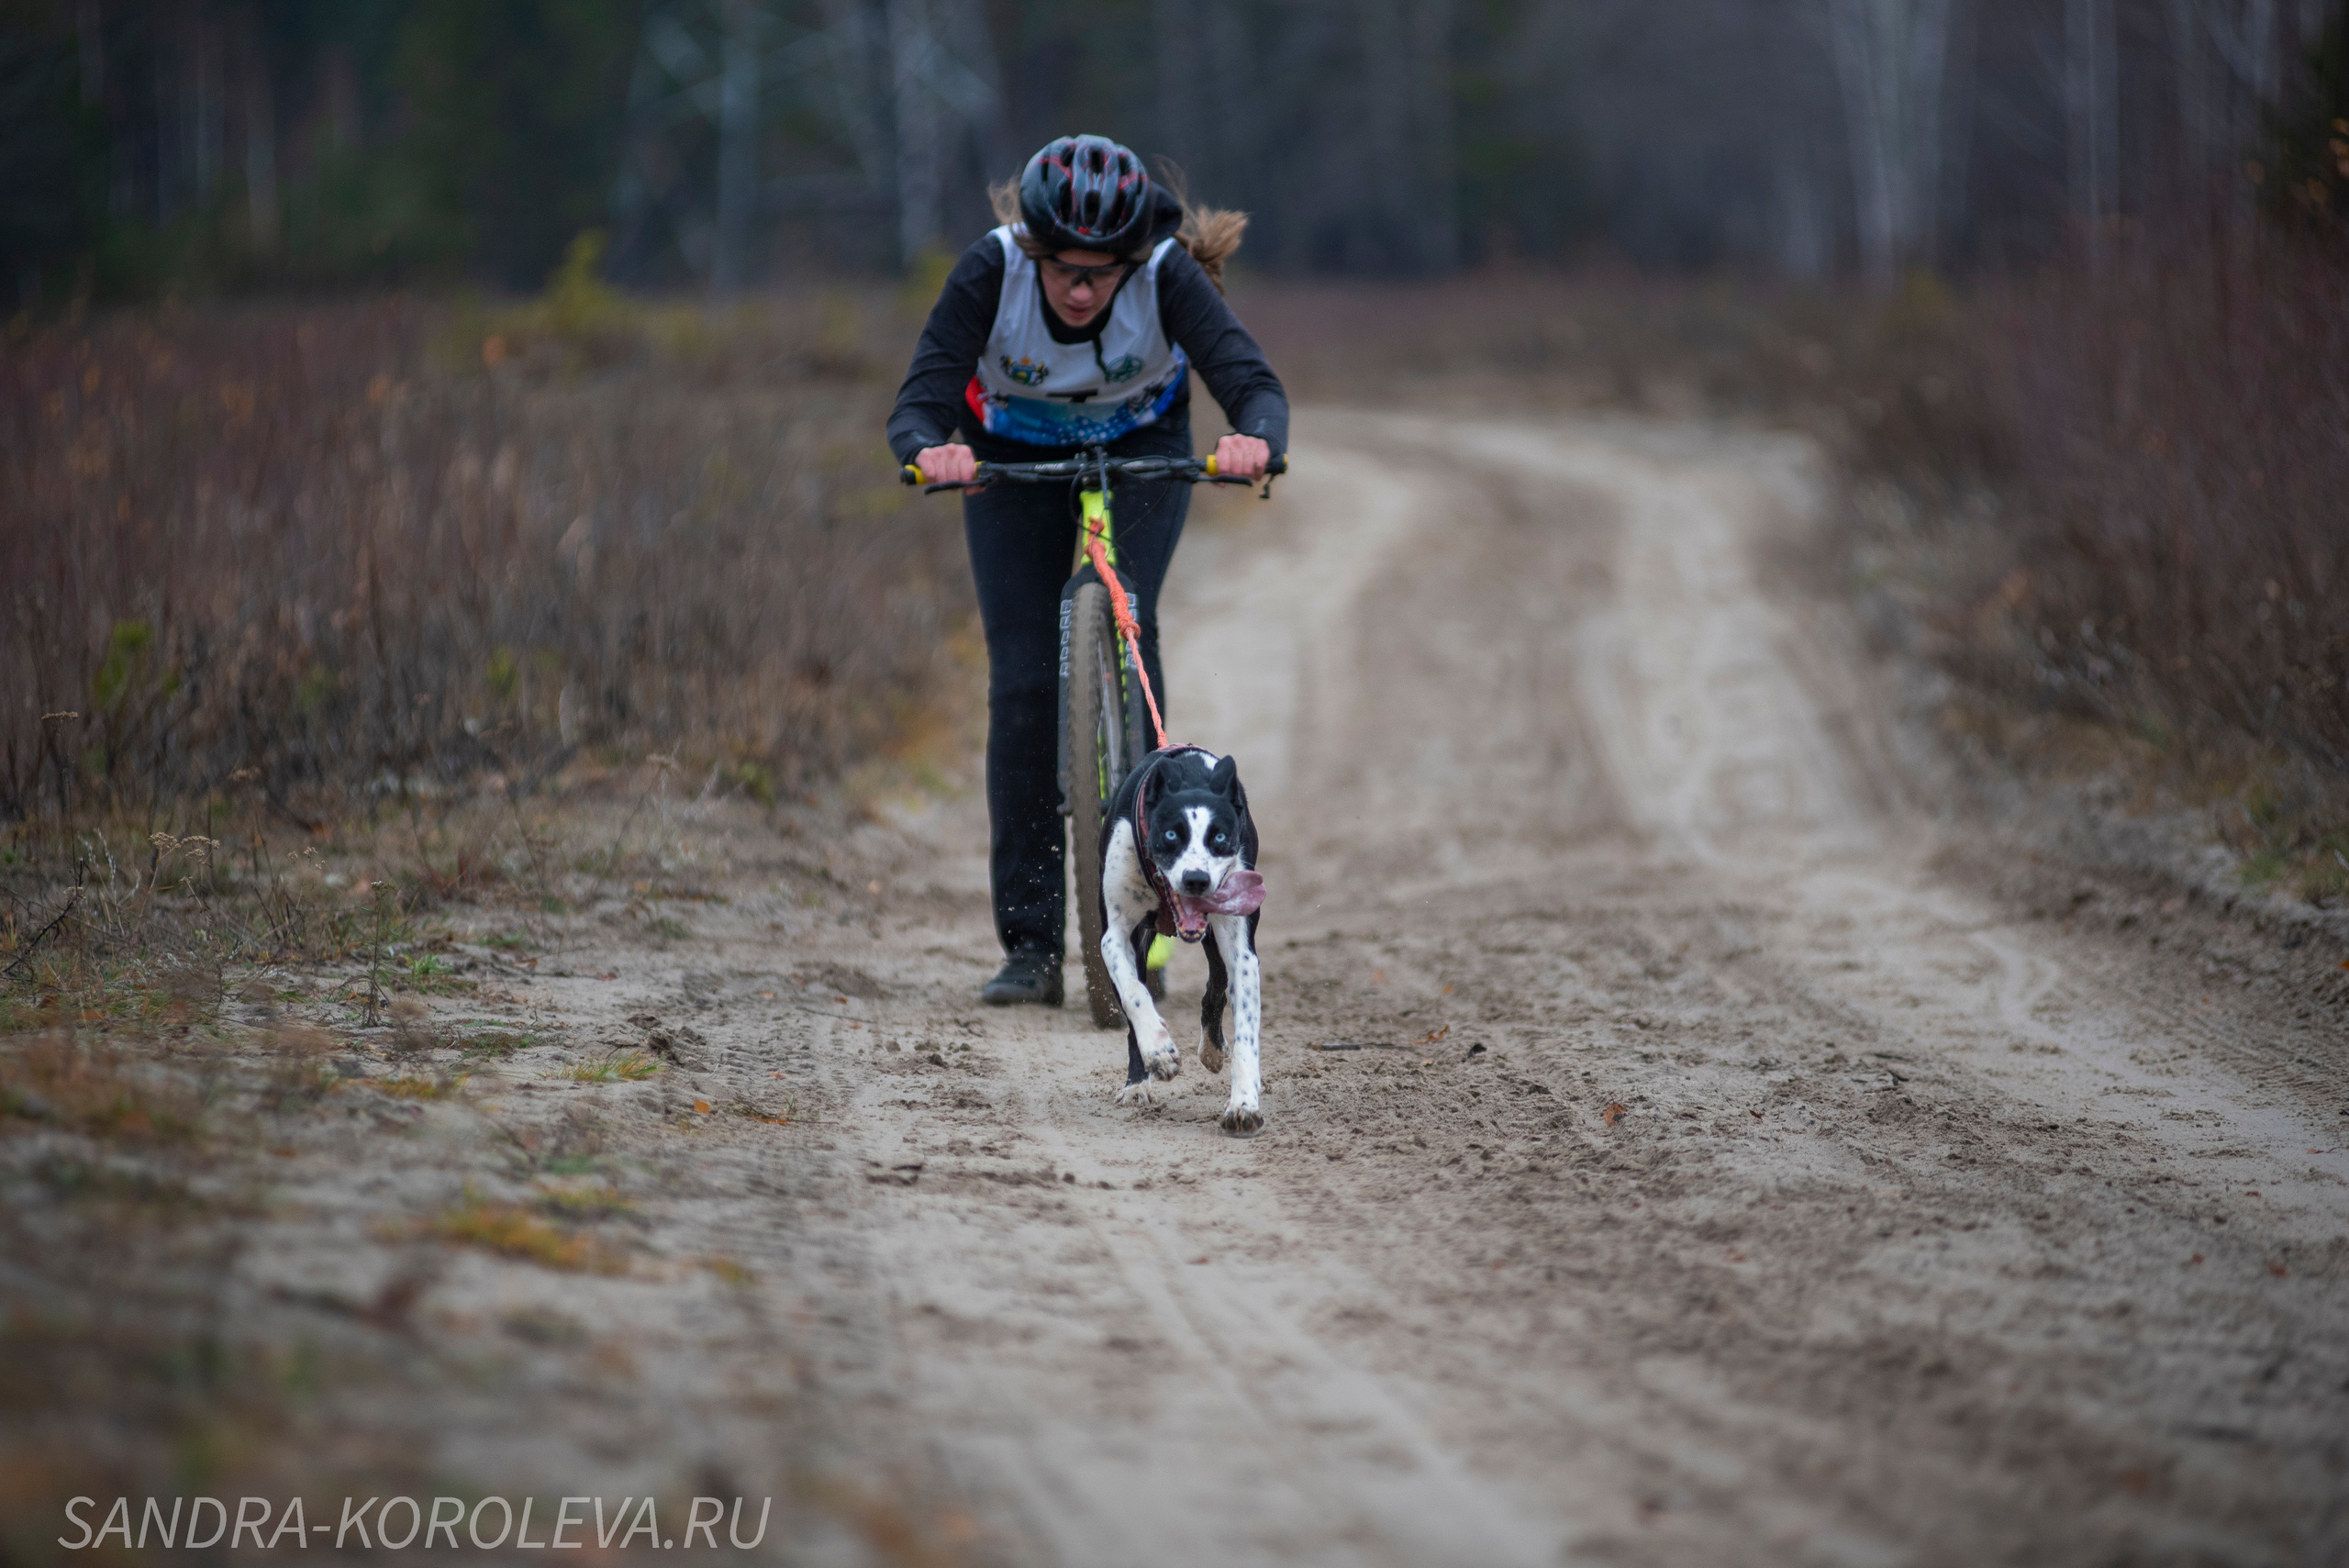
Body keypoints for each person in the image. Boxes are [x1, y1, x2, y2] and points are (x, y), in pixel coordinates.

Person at [887, 134, 1289, 1006]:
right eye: (1065, 270)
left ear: (1131, 261)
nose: (1081, 290)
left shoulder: (1165, 272)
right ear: (1034, 251)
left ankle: (1151, 922)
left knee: (1132, 629)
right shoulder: (990, 271)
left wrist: (1254, 438)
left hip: (1143, 445)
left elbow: (1254, 385)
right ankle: (1032, 945)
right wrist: (929, 449)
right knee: (1024, 683)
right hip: (1009, 457)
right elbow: (920, 401)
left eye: (1102, 274)